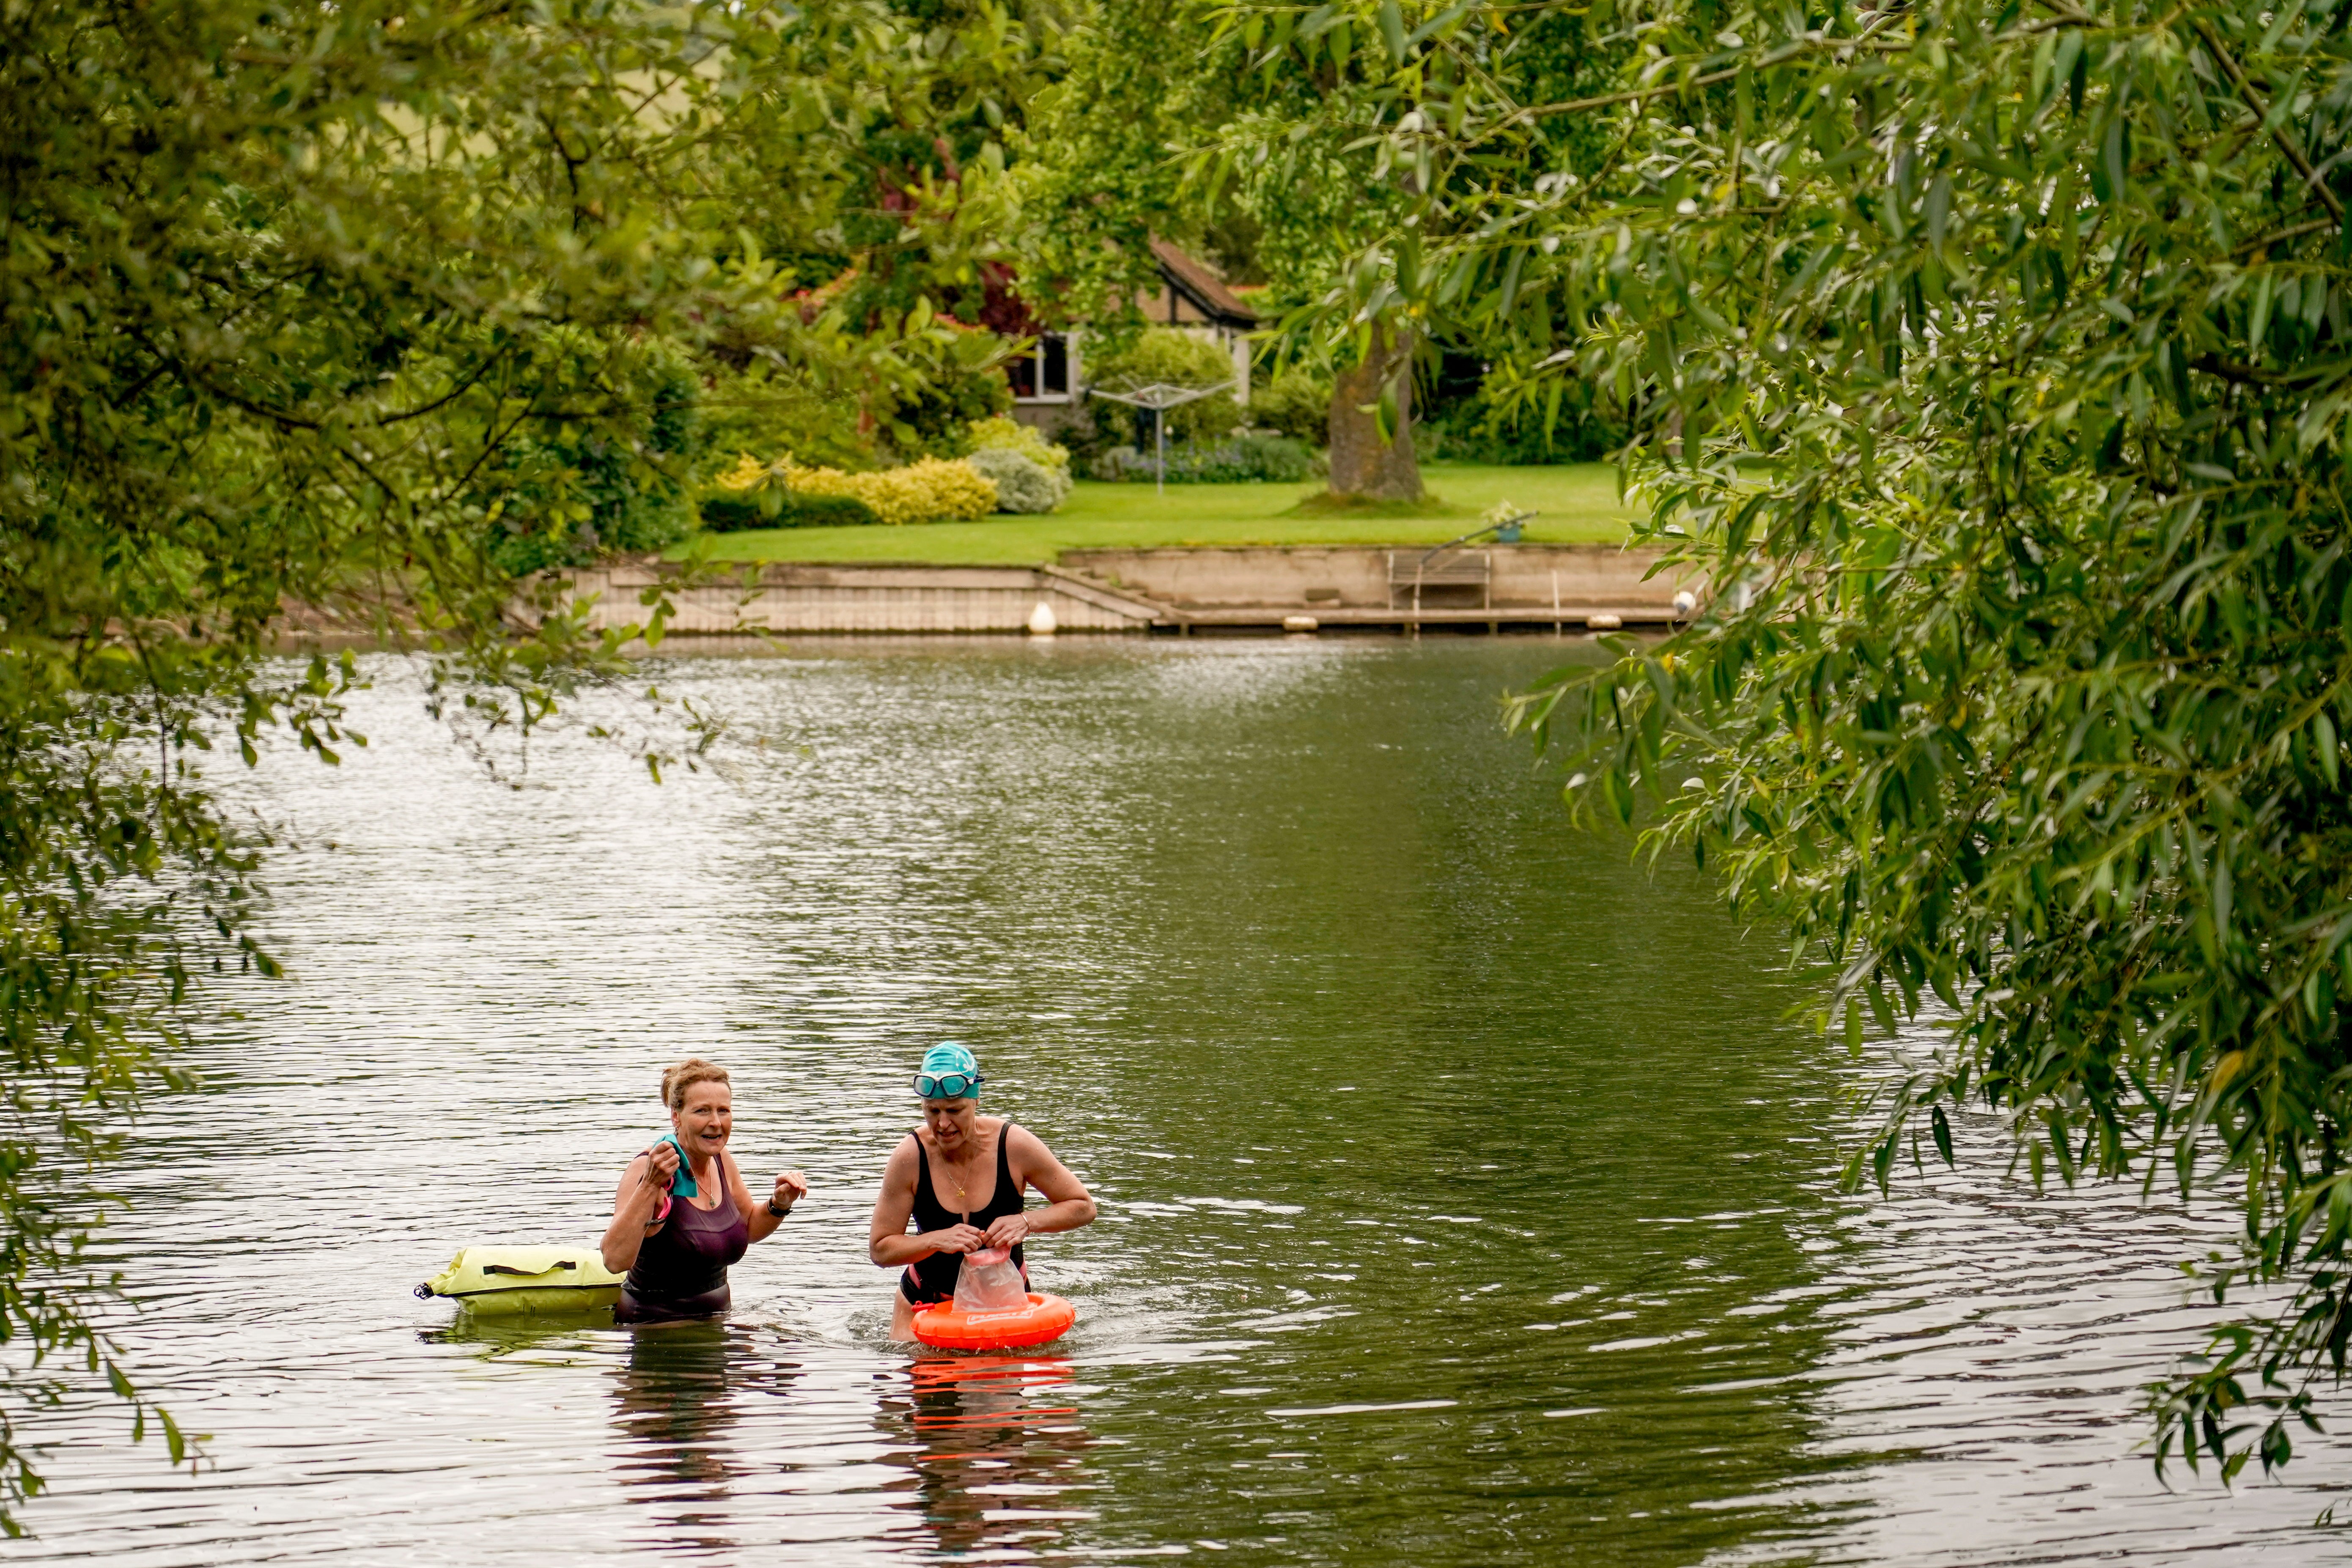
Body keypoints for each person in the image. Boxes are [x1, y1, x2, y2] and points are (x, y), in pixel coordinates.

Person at [868, 1043, 1098, 1340]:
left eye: (955, 1110)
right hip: (925, 1303)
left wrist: (1026, 1221)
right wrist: (935, 1240)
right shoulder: (910, 1157)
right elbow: (881, 1249)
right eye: (932, 1110)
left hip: (1005, 1304)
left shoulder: (1013, 1145)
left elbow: (1083, 1207)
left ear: (975, 1101)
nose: (943, 1124)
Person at [602, 1057, 809, 1324]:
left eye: (723, 1110)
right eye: (702, 1111)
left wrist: (779, 1203)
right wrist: (650, 1185)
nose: (716, 1122)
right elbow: (614, 1261)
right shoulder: (649, 1167)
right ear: (676, 1116)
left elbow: (749, 1228)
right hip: (657, 1330)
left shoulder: (721, 1160)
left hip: (716, 1323)